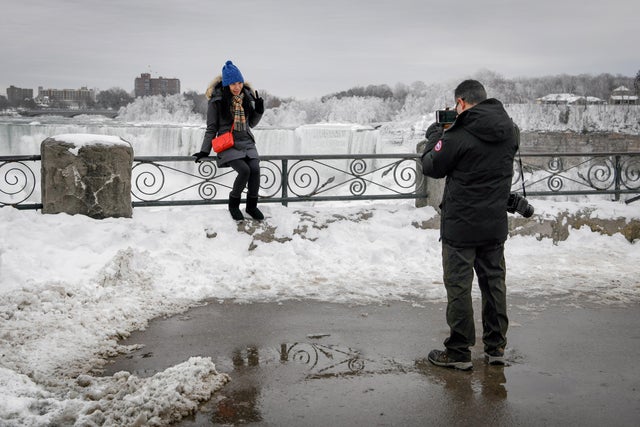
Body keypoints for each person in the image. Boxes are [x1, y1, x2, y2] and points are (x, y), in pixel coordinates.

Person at [421, 80, 519, 370]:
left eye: (455, 106)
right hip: (493, 224)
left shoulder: (459, 135)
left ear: (461, 103)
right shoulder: (510, 131)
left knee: (459, 288)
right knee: (494, 285)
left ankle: (459, 351)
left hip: (461, 226)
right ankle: (496, 347)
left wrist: (435, 137)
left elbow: (431, 165)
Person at [192, 60, 265, 221]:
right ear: (226, 84)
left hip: (246, 141)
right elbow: (211, 128)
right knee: (244, 170)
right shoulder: (216, 101)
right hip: (228, 143)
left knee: (255, 169)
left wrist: (259, 110)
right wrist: (205, 150)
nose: (237, 87)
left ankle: (252, 206)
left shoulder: (246, 97)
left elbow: (251, 123)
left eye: (239, 82)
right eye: (233, 84)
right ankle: (233, 204)